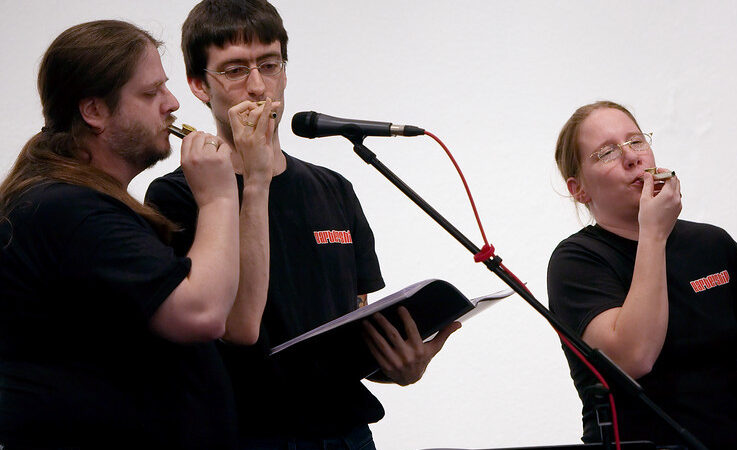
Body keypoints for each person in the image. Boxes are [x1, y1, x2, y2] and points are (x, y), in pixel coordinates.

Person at [144, 1, 458, 448]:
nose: (258, 87)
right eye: (234, 70)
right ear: (198, 86)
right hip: (248, 434)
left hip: (346, 432)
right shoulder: (176, 195)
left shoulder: (333, 188)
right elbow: (228, 332)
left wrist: (397, 367)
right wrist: (251, 179)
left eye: (269, 65)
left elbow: (351, 330)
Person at [0, 20, 240, 448]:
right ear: (94, 111)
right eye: (150, 94)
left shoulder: (67, 199)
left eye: (165, 88)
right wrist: (219, 198)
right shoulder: (70, 209)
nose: (171, 104)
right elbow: (200, 315)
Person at [547, 101, 737, 448]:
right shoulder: (576, 261)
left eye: (636, 141)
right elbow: (635, 356)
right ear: (578, 189)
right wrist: (653, 234)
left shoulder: (712, 244)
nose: (631, 157)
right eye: (606, 153)